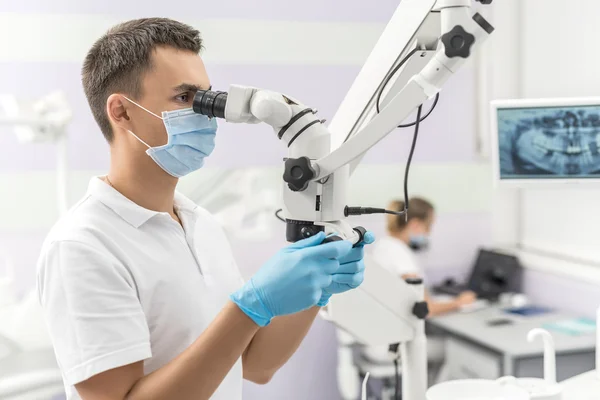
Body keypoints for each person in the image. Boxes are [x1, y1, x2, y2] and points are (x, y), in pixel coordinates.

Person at [36, 18, 373, 400]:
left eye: (207, 98)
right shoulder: (83, 246)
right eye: (185, 98)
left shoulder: (200, 223)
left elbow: (255, 365)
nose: (205, 114)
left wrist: (317, 285)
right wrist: (249, 309)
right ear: (121, 111)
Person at [369, 197, 475, 316]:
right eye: (428, 226)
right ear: (415, 225)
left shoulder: (384, 244)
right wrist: (459, 302)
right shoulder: (400, 255)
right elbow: (427, 309)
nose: (429, 233)